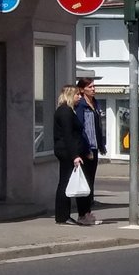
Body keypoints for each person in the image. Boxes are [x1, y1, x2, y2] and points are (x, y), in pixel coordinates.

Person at [74, 77, 106, 225]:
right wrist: (85, 149)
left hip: (94, 146)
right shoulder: (81, 105)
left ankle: (87, 212)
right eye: (90, 87)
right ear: (82, 89)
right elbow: (80, 128)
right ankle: (82, 214)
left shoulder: (95, 103)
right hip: (85, 148)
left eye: (94, 86)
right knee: (84, 182)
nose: (93, 89)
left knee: (90, 182)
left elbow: (98, 126)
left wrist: (101, 144)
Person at [53, 85, 86, 225]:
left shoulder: (67, 110)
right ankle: (62, 215)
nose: (80, 97)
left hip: (67, 150)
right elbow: (68, 135)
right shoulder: (65, 111)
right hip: (66, 151)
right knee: (65, 183)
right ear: (70, 95)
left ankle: (63, 215)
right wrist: (75, 156)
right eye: (77, 95)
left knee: (65, 182)